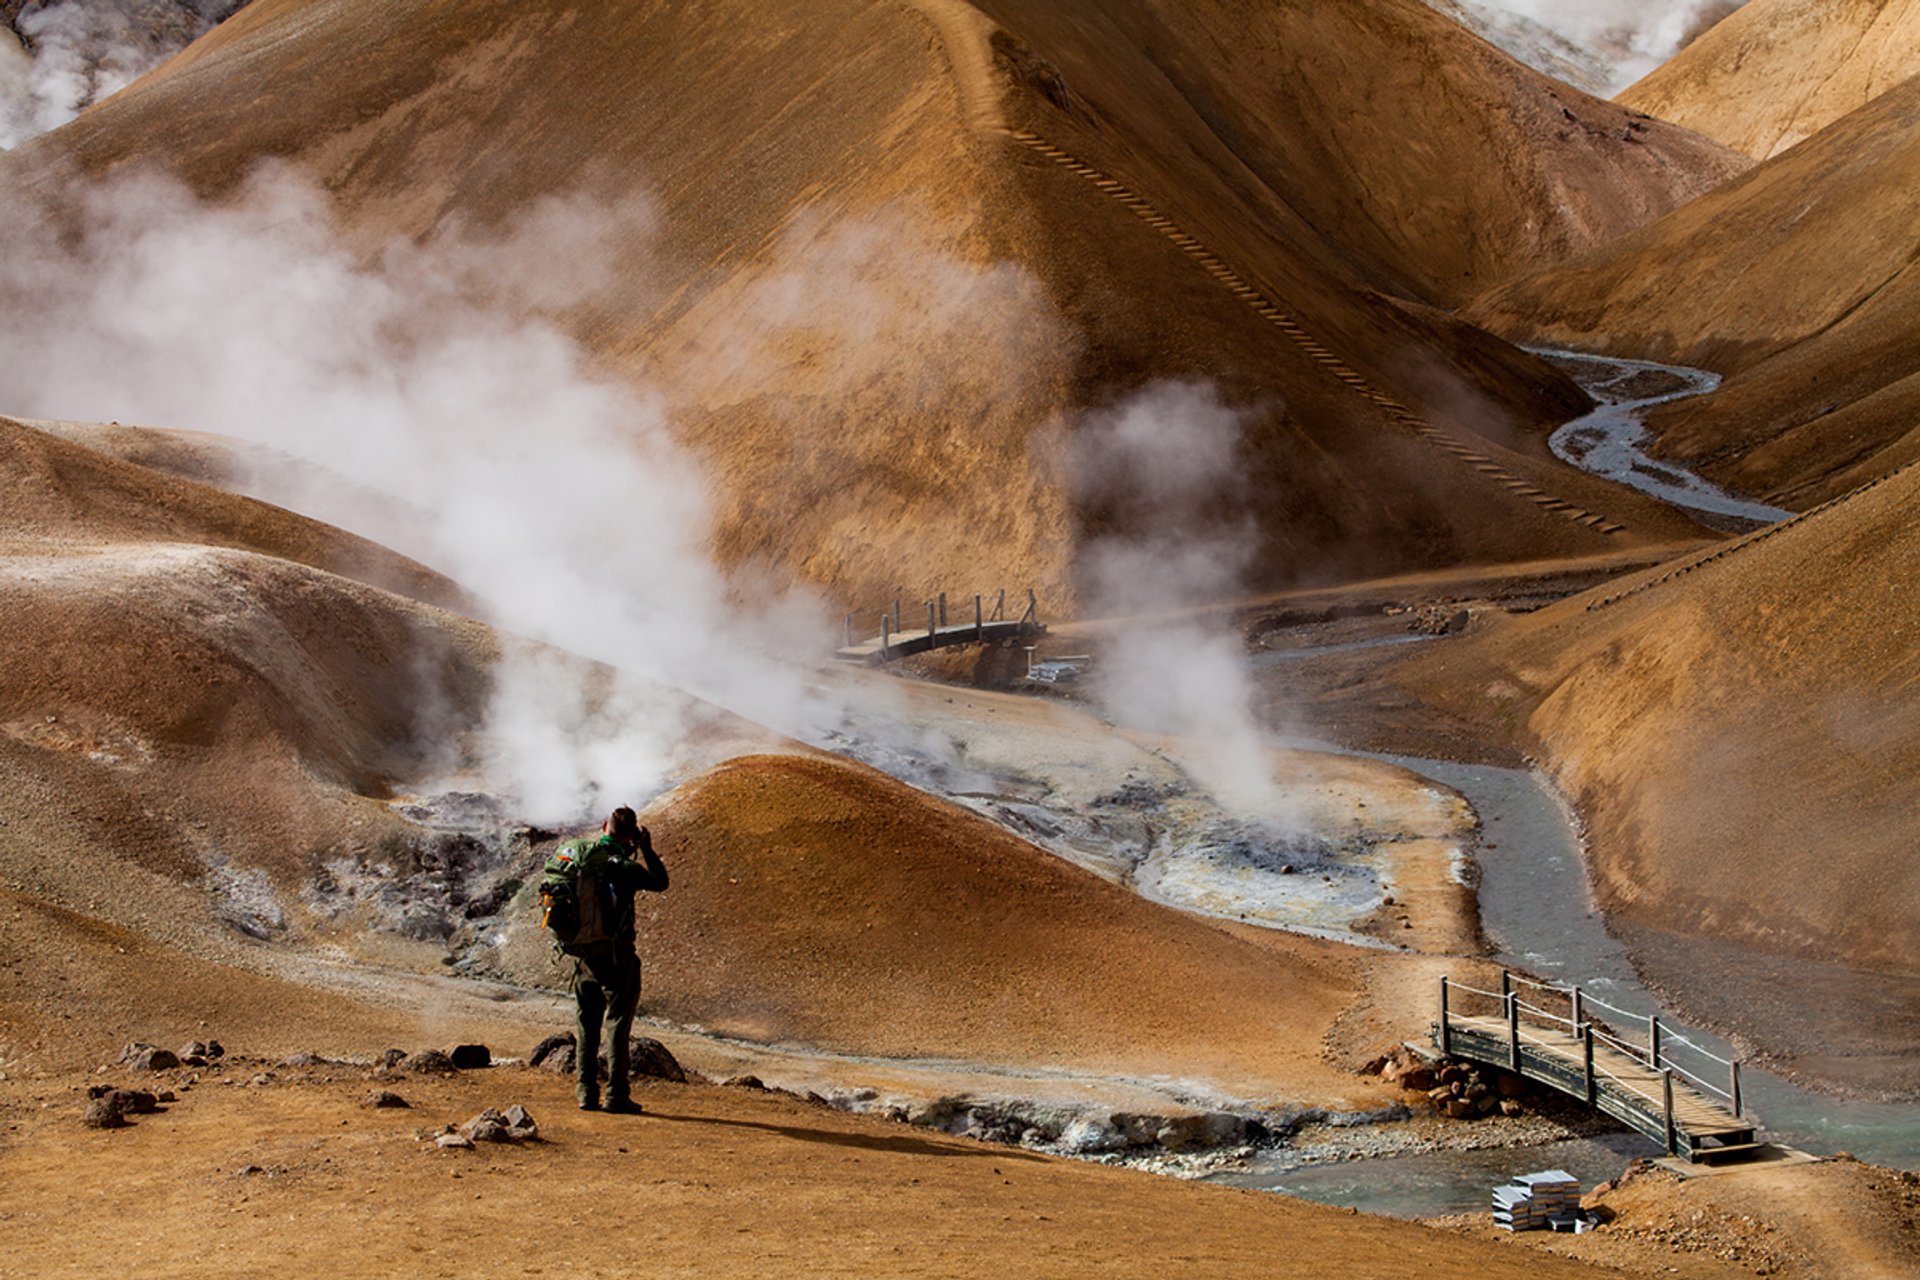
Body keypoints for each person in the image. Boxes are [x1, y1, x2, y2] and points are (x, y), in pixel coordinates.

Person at [545, 805, 668, 1112]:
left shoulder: (584, 860)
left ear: (603, 826)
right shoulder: (624, 868)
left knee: (586, 1022)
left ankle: (585, 1091)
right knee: (617, 1023)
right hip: (617, 958)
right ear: (634, 834)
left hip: (584, 955)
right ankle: (616, 1094)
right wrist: (647, 849)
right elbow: (660, 881)